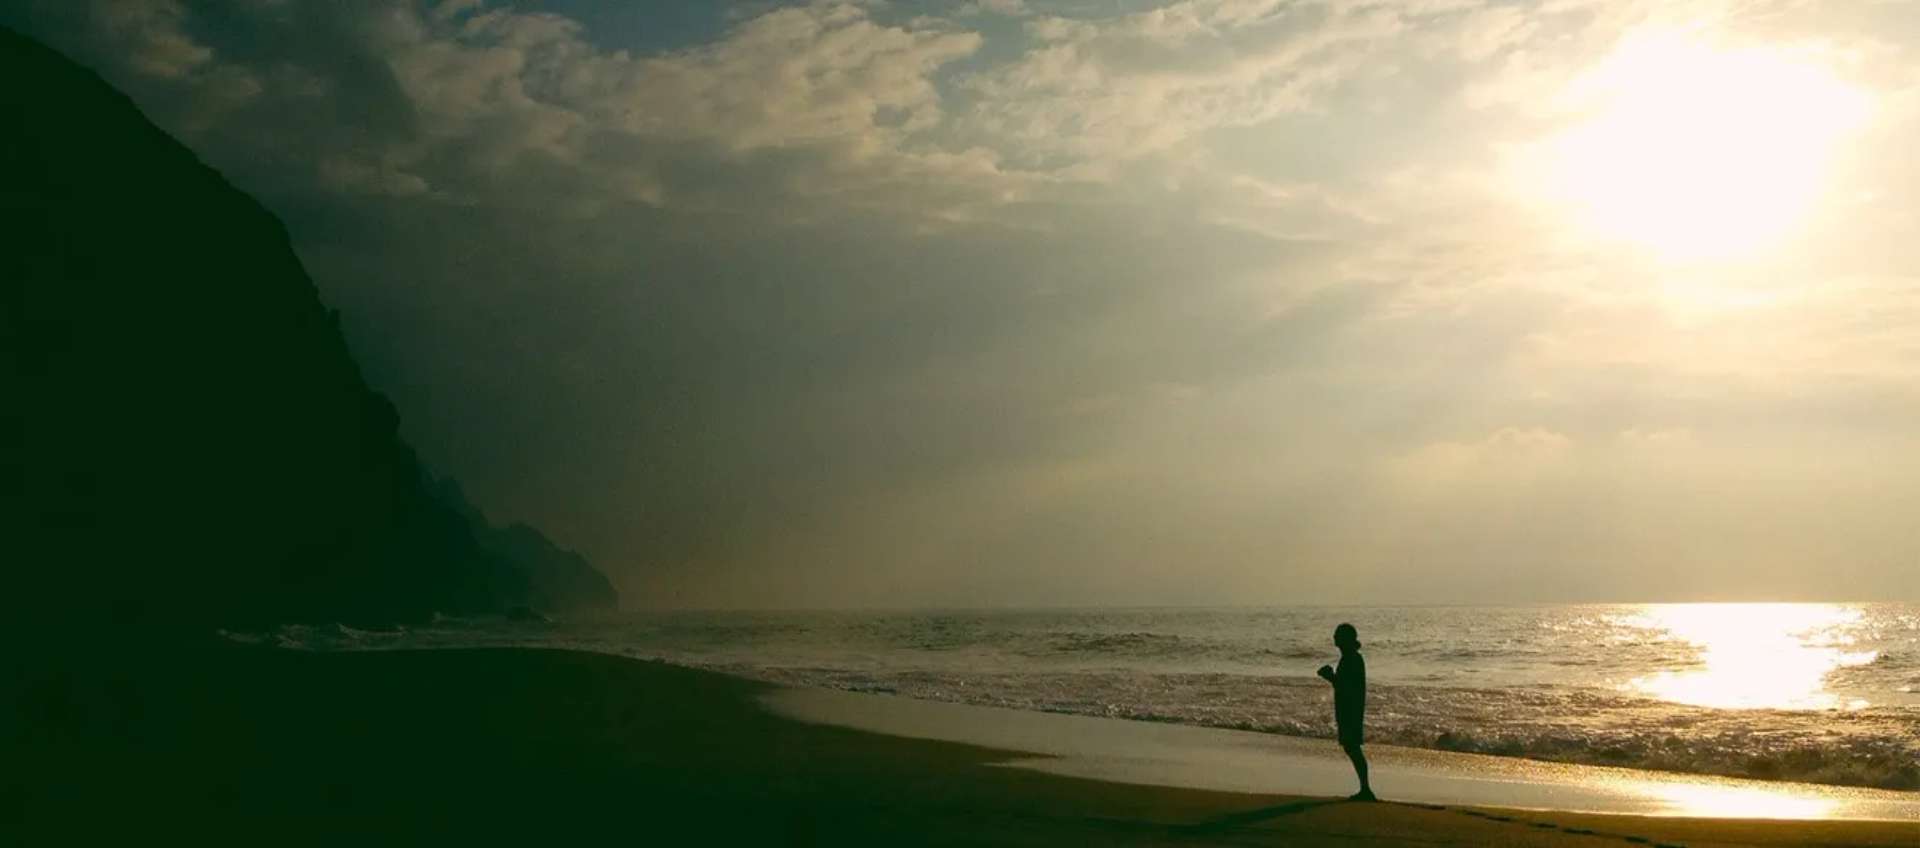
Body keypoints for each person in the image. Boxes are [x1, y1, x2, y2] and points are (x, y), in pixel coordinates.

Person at [1316, 622, 1374, 801]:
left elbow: (1346, 686)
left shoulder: (1352, 659)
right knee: (1351, 747)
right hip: (1349, 707)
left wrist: (1330, 677)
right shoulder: (1351, 657)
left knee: (1353, 748)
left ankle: (1366, 789)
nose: (1334, 638)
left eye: (1337, 635)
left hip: (1350, 708)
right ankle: (1365, 789)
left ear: (1345, 639)